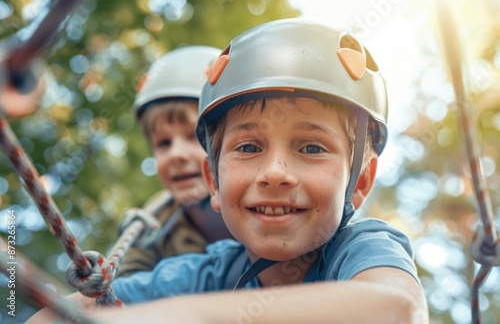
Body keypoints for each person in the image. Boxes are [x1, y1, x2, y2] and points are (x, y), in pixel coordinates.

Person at [31, 19, 428, 323]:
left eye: (311, 147)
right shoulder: (208, 270)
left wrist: (180, 317)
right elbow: (59, 312)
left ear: (359, 183)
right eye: (249, 147)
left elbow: (394, 308)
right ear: (213, 182)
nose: (275, 173)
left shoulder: (361, 247)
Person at [116, 45, 233, 277]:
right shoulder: (153, 220)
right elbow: (123, 281)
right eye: (163, 143)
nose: (176, 155)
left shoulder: (262, 201)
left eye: (193, 136)